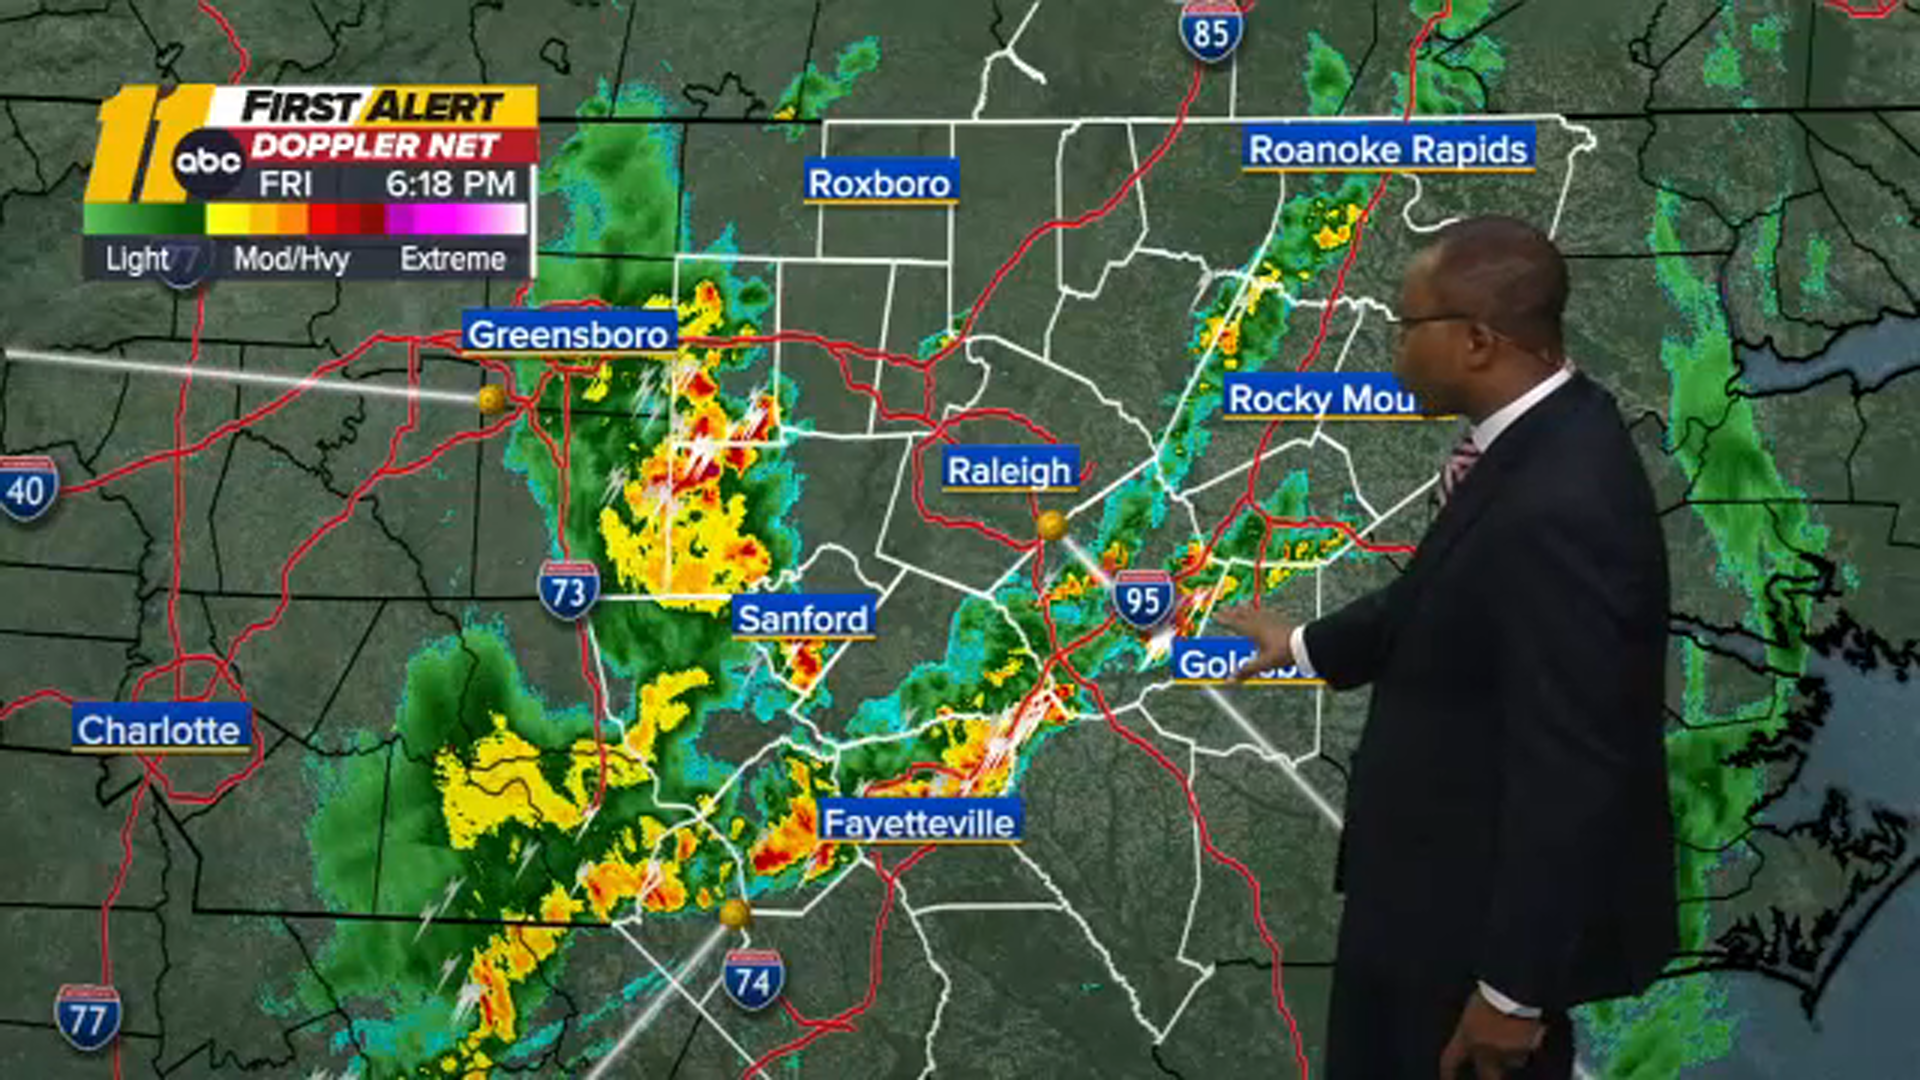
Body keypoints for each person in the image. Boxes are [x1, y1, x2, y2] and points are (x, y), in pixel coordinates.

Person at [1215, 216, 1676, 1079]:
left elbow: (1573, 764)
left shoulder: (1562, 502)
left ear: (1475, 341)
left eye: (1406, 325)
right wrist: (1309, 644)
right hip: (1426, 908)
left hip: (1472, 947)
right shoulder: (1527, 452)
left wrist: (1512, 993)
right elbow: (1440, 598)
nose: (1392, 349)